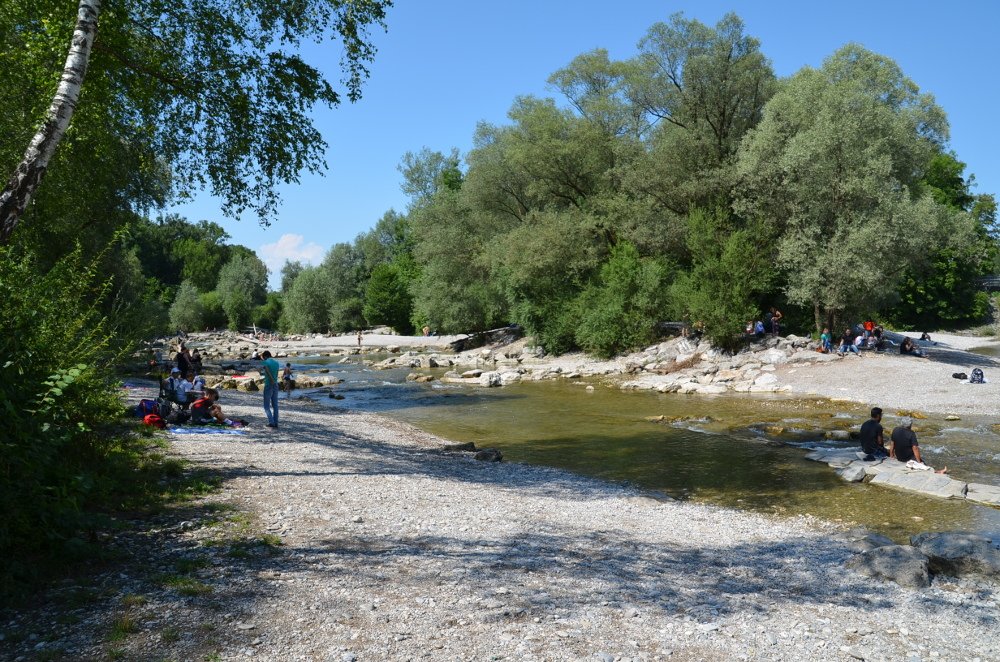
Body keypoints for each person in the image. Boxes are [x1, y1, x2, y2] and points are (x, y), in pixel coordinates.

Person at [259, 350, 280, 428]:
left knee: (266, 406)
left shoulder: (265, 362)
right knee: (275, 405)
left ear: (265, 357)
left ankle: (271, 422)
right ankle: (276, 422)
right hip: (276, 384)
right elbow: (277, 374)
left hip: (269, 384)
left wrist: (271, 380)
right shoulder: (276, 363)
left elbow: (266, 371)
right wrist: (274, 381)